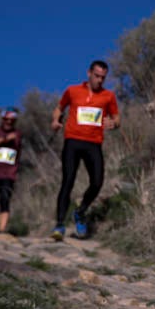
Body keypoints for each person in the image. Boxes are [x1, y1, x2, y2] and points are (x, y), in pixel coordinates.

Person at [50, 60, 120, 240]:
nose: (99, 80)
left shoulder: (108, 96)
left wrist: (113, 123)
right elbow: (59, 107)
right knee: (68, 181)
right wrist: (56, 120)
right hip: (72, 141)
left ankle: (80, 211)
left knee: (97, 182)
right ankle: (59, 226)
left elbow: (116, 118)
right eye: (97, 76)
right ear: (89, 73)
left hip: (93, 143)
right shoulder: (73, 91)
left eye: (103, 78)